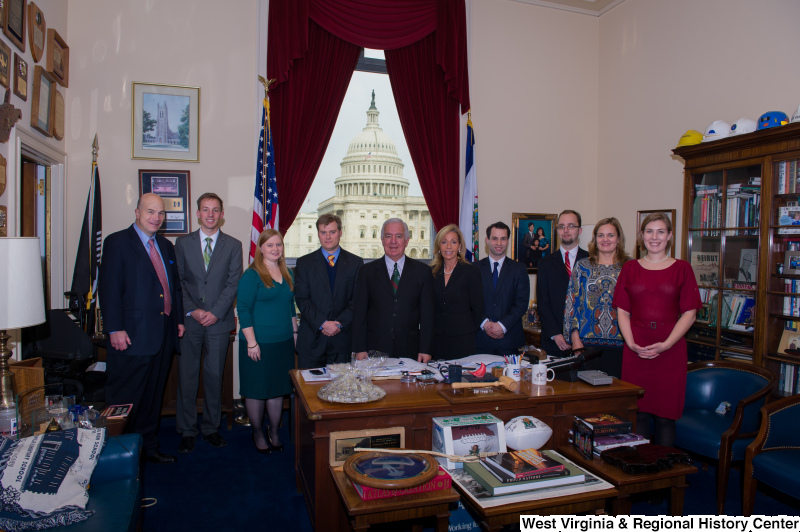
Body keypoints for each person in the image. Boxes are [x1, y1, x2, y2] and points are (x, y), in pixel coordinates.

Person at [98, 193, 185, 464]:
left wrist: (179, 319)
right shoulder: (117, 242)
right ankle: (114, 454)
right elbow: (109, 288)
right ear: (137, 212)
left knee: (152, 397)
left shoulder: (166, 245)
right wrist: (114, 328)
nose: (156, 217)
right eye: (150, 212)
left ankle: (148, 446)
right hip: (131, 336)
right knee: (125, 399)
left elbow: (174, 286)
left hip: (163, 334)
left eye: (160, 213)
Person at [613, 212, 702, 447]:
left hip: (670, 349)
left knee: (665, 417)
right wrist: (630, 343)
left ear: (670, 236)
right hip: (635, 348)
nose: (655, 237)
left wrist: (666, 345)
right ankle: (640, 474)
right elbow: (622, 311)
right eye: (649, 231)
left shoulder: (682, 269)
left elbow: (689, 313)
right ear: (641, 236)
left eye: (661, 231)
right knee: (638, 413)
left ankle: (663, 476)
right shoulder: (630, 268)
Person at [174, 193, 243, 453]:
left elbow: (233, 282)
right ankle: (187, 430)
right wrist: (194, 311)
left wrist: (214, 312)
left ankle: (211, 428)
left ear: (222, 214)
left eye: (215, 210)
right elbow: (178, 281)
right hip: (190, 322)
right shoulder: (182, 243)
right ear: (198, 214)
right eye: (205, 209)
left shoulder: (233, 245)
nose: (211, 214)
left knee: (215, 378)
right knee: (188, 378)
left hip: (219, 322)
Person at [237, 229, 297, 453]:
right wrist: (252, 343)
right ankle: (258, 432)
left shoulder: (287, 272)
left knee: (276, 390)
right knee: (256, 390)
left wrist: (295, 333)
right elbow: (243, 309)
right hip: (257, 344)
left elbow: (290, 305)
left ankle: (274, 431)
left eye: (278, 245)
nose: (275, 249)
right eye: (270, 245)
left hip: (282, 343)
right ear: (260, 247)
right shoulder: (251, 275)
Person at [352, 218, 434, 362]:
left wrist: (425, 349)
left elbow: (427, 316)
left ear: (407, 240)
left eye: (399, 236)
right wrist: (360, 348)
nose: (393, 241)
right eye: (388, 236)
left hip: (411, 350)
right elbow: (359, 314)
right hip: (375, 349)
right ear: (382, 240)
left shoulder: (423, 272)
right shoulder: (366, 272)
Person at [563, 217, 629, 378]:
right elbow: (572, 304)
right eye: (600, 235)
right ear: (595, 239)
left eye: (610, 235)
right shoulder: (583, 266)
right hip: (587, 345)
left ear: (619, 239)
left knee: (616, 396)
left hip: (622, 344)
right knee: (588, 398)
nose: (605, 239)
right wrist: (575, 340)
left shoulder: (630, 267)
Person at [295, 214, 363, 369]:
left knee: (341, 391)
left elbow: (357, 300)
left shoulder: (355, 263)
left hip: (343, 343)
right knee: (308, 391)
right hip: (312, 342)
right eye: (323, 232)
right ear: (318, 233)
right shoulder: (304, 263)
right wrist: (323, 323)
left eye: (332, 232)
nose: (327, 237)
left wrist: (338, 324)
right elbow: (302, 299)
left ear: (340, 232)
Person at [537, 210, 589, 356]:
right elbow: (543, 303)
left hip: (586, 341)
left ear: (579, 230)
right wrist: (556, 334)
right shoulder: (544, 263)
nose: (566, 231)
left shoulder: (591, 261)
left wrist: (578, 337)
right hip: (554, 343)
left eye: (571, 226)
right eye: (562, 226)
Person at [430, 224, 484, 359]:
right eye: (444, 242)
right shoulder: (430, 273)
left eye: (453, 242)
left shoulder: (471, 271)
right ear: (438, 247)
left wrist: (467, 329)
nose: (449, 247)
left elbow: (478, 308)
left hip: (463, 340)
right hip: (436, 340)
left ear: (459, 246)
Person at [475, 222, 530, 355]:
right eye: (494, 238)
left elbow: (521, 303)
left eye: (503, 238)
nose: (499, 243)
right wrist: (485, 324)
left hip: (509, 341)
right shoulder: (474, 269)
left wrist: (502, 326)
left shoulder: (519, 269)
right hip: (480, 341)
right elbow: (470, 302)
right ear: (487, 240)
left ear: (508, 241)